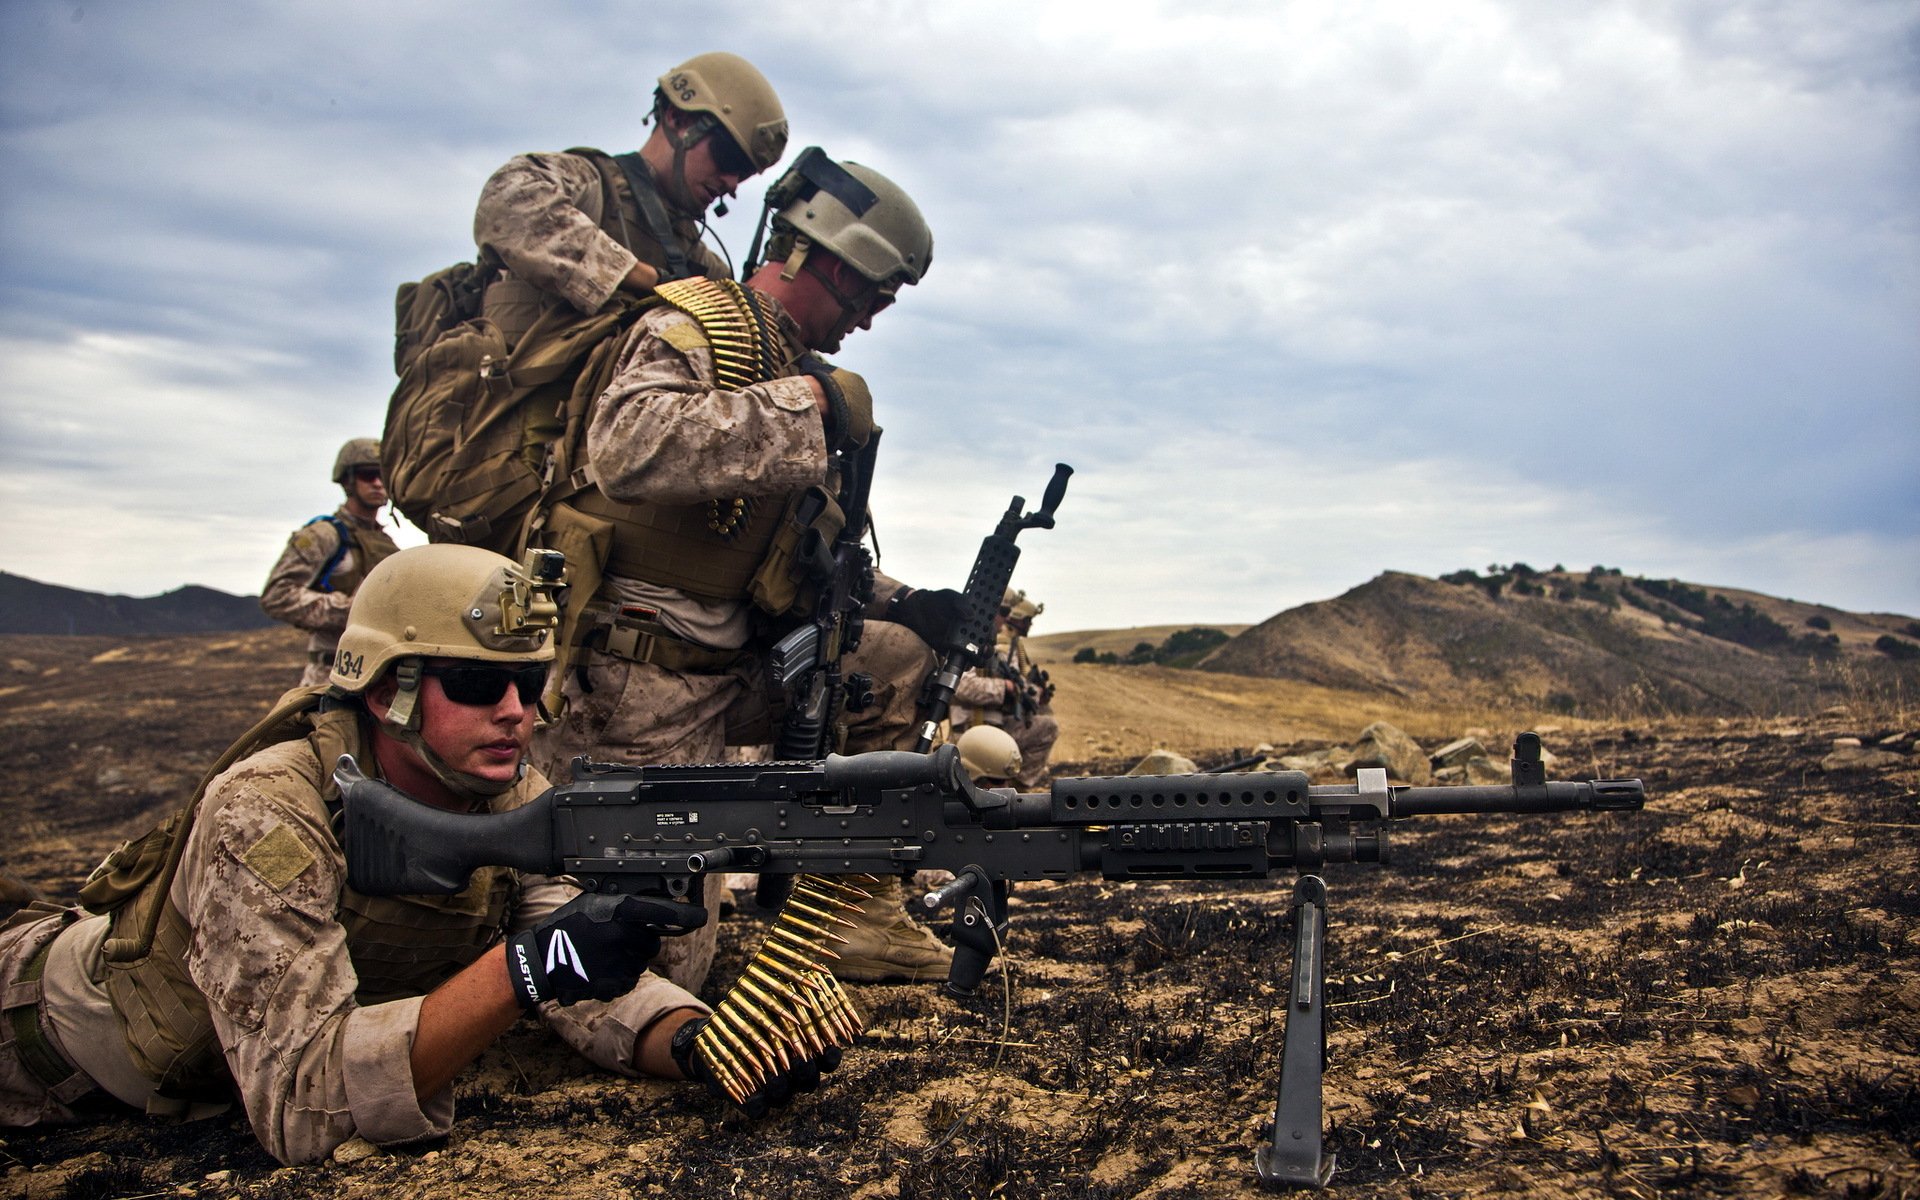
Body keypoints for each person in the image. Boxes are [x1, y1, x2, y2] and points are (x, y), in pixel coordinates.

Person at [0, 546, 832, 1161]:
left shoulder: (507, 792)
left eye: (531, 680)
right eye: (475, 684)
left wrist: (697, 1044)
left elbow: (571, 970)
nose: (515, 711)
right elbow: (304, 1109)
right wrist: (519, 970)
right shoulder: (270, 813)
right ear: (384, 688)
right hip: (35, 1056)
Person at [533, 152, 958, 988]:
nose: (869, 321)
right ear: (828, 261)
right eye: (869, 296)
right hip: (638, 686)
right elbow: (628, 445)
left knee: (892, 662)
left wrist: (908, 603)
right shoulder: (695, 327)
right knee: (647, 973)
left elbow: (797, 554)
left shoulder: (785, 361)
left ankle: (849, 919)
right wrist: (807, 408)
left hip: (734, 670)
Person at [472, 51, 788, 351]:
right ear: (677, 119)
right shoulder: (589, 185)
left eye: (745, 173)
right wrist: (646, 280)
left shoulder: (698, 265)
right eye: (728, 156)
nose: (731, 182)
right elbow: (507, 201)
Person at [259, 438, 402, 686]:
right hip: (330, 673)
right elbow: (277, 596)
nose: (378, 483)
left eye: (384, 475)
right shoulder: (324, 535)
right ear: (348, 481)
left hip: (381, 674)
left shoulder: (387, 544)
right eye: (368, 475)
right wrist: (351, 609)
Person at [949, 589, 1059, 790]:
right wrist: (1005, 687)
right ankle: (1008, 790)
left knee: (1046, 726)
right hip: (972, 730)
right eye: (1004, 611)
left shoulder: (992, 644)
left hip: (994, 725)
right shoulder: (972, 642)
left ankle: (1015, 790)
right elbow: (962, 686)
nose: (1007, 617)